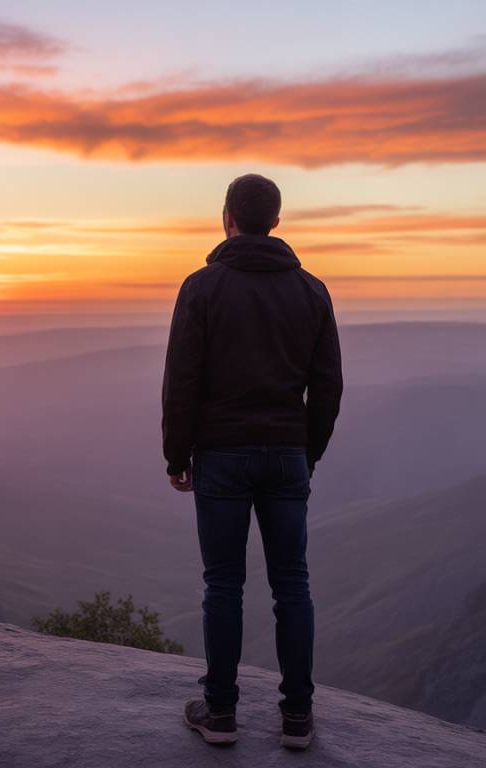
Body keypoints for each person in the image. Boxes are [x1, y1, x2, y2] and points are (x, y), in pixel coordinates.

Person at [161, 173, 343, 750]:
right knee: (293, 583)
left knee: (224, 585)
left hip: (221, 453)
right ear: (277, 221)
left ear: (227, 218)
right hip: (287, 453)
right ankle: (296, 718)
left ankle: (219, 714)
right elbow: (329, 386)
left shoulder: (201, 287)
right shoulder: (313, 291)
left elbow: (181, 381)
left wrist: (176, 453)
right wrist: (304, 453)